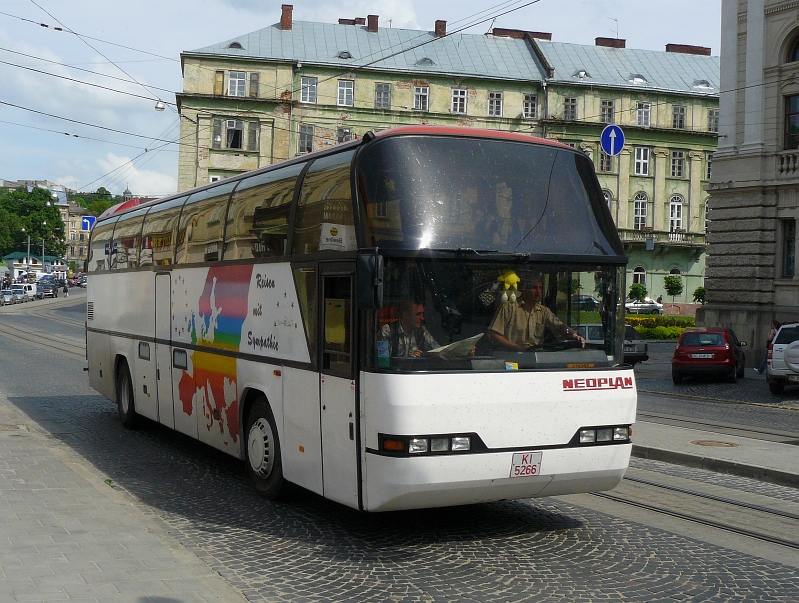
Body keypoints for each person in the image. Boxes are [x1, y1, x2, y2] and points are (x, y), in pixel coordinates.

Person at [485, 274, 585, 351]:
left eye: (540, 288)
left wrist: (574, 335)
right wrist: (517, 347)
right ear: (524, 289)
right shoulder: (509, 307)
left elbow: (559, 326)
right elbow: (493, 334)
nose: (538, 291)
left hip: (536, 359)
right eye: (534, 287)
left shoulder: (543, 311)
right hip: (511, 360)